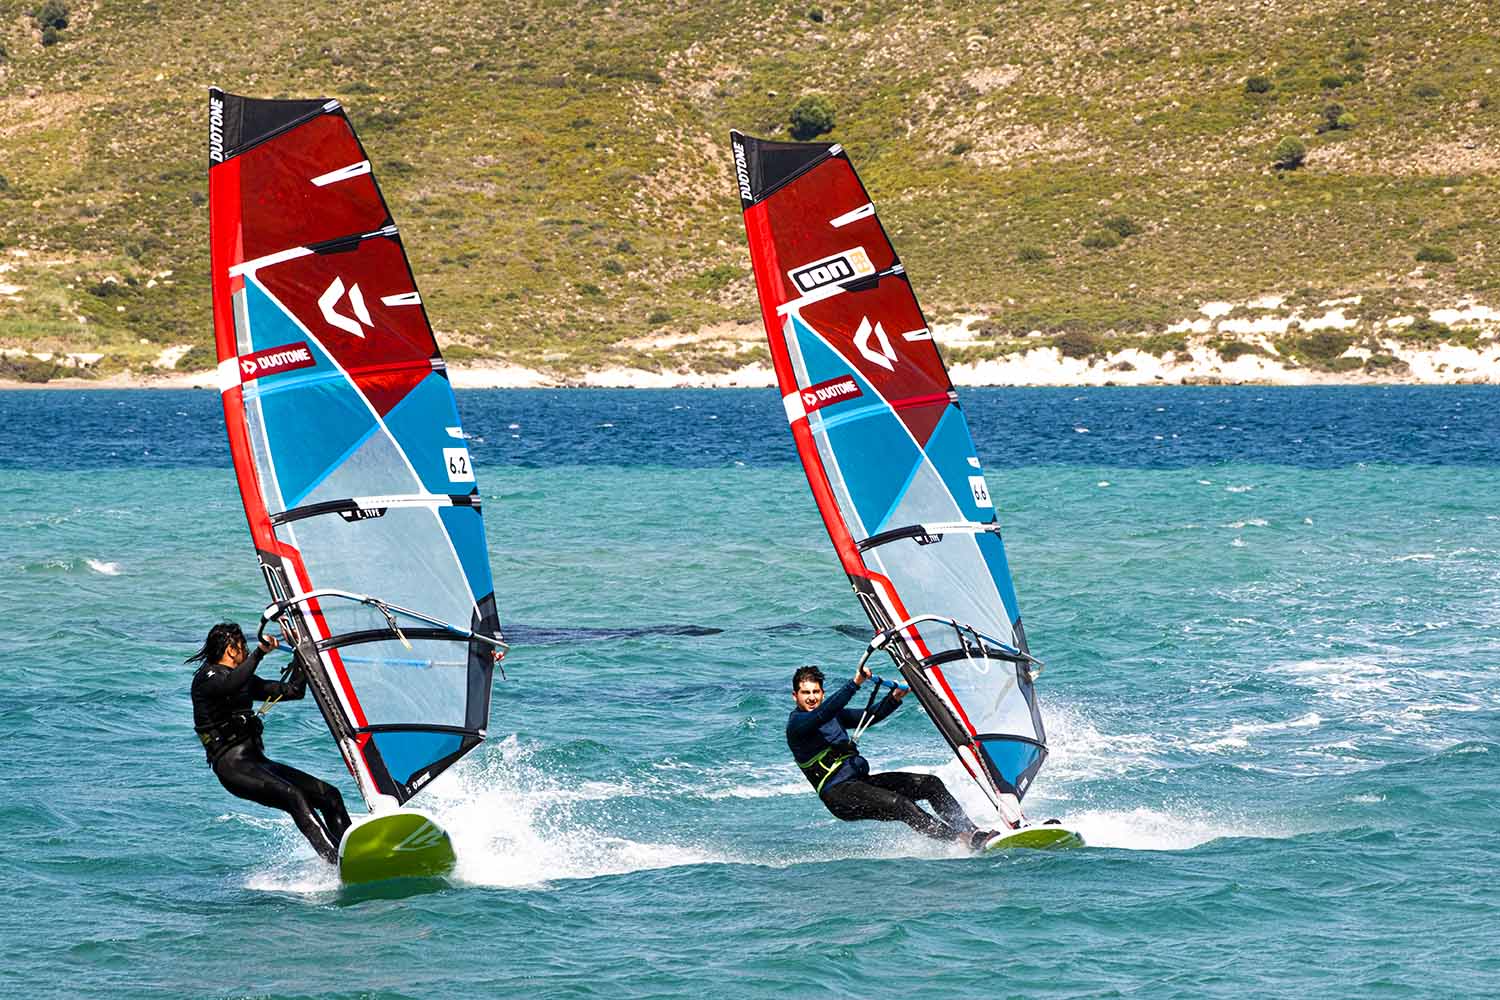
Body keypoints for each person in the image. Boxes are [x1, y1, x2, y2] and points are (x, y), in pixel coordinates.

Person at [786, 662, 1001, 850]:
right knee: (901, 805)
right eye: (806, 693)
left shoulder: (834, 716)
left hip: (860, 783)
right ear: (795, 696)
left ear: (822, 693)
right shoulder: (797, 725)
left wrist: (894, 698)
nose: (812, 697)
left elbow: (869, 716)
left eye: (816, 692)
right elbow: (823, 713)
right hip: (839, 795)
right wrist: (856, 683)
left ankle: (972, 831)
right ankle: (962, 840)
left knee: (930, 784)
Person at [189, 622, 351, 864]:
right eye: (243, 647)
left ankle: (356, 851)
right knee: (294, 796)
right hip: (233, 767)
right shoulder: (206, 677)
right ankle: (338, 861)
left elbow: (293, 690)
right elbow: (229, 685)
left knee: (329, 795)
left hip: (257, 763)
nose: (246, 651)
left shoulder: (244, 681)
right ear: (232, 650)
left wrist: (302, 651)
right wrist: (260, 653)